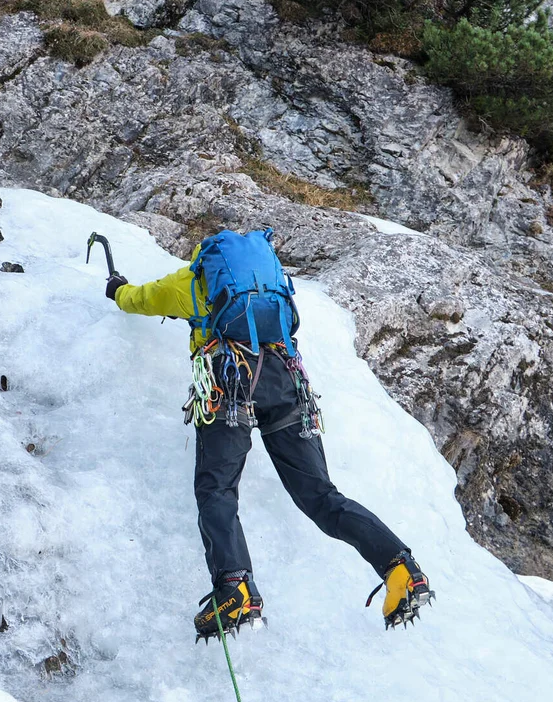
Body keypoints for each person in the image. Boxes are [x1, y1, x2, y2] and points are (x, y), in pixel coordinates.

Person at [105, 227, 432, 639]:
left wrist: (118, 290)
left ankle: (235, 587)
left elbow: (142, 299)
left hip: (230, 383)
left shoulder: (192, 280)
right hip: (287, 382)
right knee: (321, 497)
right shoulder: (272, 284)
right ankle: (399, 568)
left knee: (217, 489)